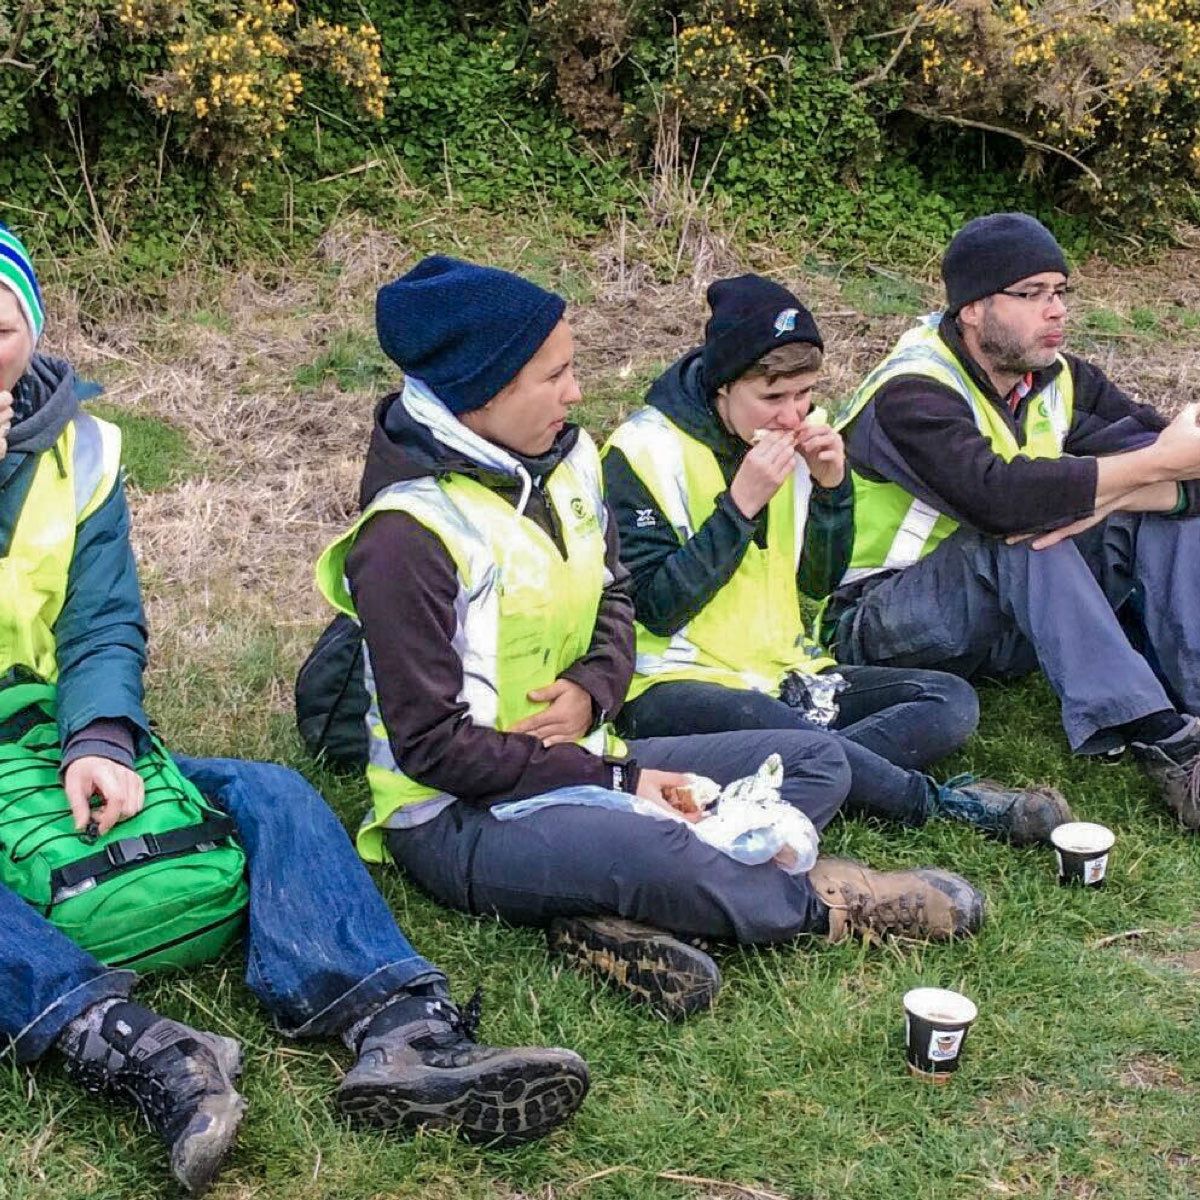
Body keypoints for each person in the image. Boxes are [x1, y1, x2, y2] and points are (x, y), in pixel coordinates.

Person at [0, 226, 588, 1198]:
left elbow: (104, 621)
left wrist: (99, 737)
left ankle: (401, 1030)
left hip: (56, 730)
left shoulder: (80, 448)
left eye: (5, 324)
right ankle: (141, 1052)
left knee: (267, 793)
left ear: (35, 325)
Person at [316, 255, 987, 1027]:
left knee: (815, 759)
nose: (576, 391)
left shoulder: (566, 462)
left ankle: (611, 915)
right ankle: (830, 901)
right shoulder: (406, 535)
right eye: (554, 376)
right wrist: (618, 780)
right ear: (481, 392)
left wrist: (593, 691)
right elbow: (432, 750)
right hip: (459, 814)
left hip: (592, 754)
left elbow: (616, 598)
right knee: (663, 851)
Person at [601, 274, 1071, 844]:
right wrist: (740, 507)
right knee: (772, 724)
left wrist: (831, 490)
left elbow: (818, 581)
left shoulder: (800, 437)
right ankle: (933, 801)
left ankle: (785, 771)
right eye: (772, 398)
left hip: (784, 673)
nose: (792, 416)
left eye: (805, 395)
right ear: (721, 387)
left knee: (950, 699)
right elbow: (655, 609)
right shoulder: (641, 453)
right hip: (669, 682)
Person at [823, 212, 1200, 829]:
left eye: (1060, 292)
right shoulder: (912, 392)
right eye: (1030, 295)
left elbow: (1187, 465)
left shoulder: (1061, 379)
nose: (1055, 311)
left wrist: (1144, 486)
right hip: (879, 620)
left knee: (1154, 513)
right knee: (1025, 529)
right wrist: (1154, 464)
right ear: (972, 309)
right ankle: (1168, 747)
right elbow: (998, 500)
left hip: (1002, 616)